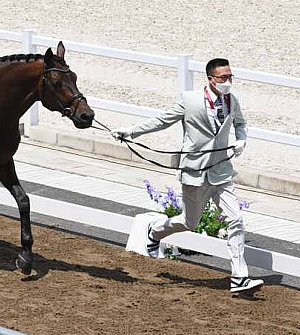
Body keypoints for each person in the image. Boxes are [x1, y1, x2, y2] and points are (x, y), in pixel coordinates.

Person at [112, 58, 264, 293]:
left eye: (230, 77)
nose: (228, 82)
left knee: (235, 220)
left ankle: (239, 277)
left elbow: (241, 123)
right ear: (211, 79)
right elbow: (162, 121)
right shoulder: (190, 100)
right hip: (195, 171)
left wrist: (241, 140)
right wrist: (131, 132)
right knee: (189, 222)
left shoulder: (232, 100)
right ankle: (155, 232)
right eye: (223, 78)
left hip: (221, 171)